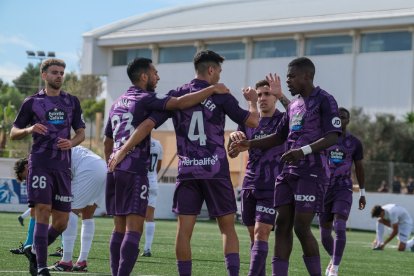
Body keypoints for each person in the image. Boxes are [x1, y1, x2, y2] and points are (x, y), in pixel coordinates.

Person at [109, 50, 259, 276]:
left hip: (187, 171)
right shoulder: (221, 94)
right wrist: (253, 102)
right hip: (215, 171)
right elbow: (253, 121)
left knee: (183, 231)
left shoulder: (177, 94)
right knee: (227, 227)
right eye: (218, 70)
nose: (219, 74)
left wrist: (120, 150)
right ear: (210, 70)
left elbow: (148, 125)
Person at [229, 57, 342, 276]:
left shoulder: (325, 100)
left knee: (301, 227)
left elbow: (333, 136)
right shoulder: (295, 106)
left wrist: (303, 151)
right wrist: (248, 144)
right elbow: (279, 136)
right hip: (287, 174)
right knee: (282, 227)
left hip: (312, 172)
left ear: (307, 76)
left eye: (291, 76)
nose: (287, 81)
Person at [10, 58, 85, 276]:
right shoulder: (31, 102)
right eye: (54, 72)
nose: (59, 76)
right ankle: (42, 267)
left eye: (62, 72)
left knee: (62, 222)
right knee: (42, 211)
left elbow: (81, 132)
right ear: (44, 75)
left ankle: (34, 249)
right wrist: (30, 128)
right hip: (40, 163)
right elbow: (13, 133)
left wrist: (71, 142)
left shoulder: (72, 101)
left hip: (63, 167)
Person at [228, 76, 289, 276]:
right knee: (254, 240)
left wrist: (282, 96)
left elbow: (299, 115)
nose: (262, 98)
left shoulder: (283, 119)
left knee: (261, 232)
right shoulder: (250, 120)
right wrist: (233, 141)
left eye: (267, 94)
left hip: (272, 186)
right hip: (249, 185)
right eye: (259, 94)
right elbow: (233, 152)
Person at [318, 107, 366, 276]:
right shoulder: (323, 139)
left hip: (343, 188)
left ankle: (335, 269)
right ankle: (333, 260)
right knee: (324, 235)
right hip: (324, 189)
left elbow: (359, 168)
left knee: (339, 226)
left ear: (348, 120)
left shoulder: (354, 143)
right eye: (337, 116)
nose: (340, 118)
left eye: (343, 117)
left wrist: (362, 193)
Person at [48, 145, 106, 272]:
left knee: (69, 211)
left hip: (88, 170)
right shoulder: (66, 148)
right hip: (102, 167)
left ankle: (66, 261)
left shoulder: (50, 156)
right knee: (88, 215)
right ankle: (81, 261)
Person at [141, 137, 163, 257]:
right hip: (153, 182)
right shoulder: (158, 143)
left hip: (140, 182)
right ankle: (147, 248)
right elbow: (158, 167)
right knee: (150, 216)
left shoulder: (139, 140)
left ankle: (133, 245)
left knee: (136, 216)